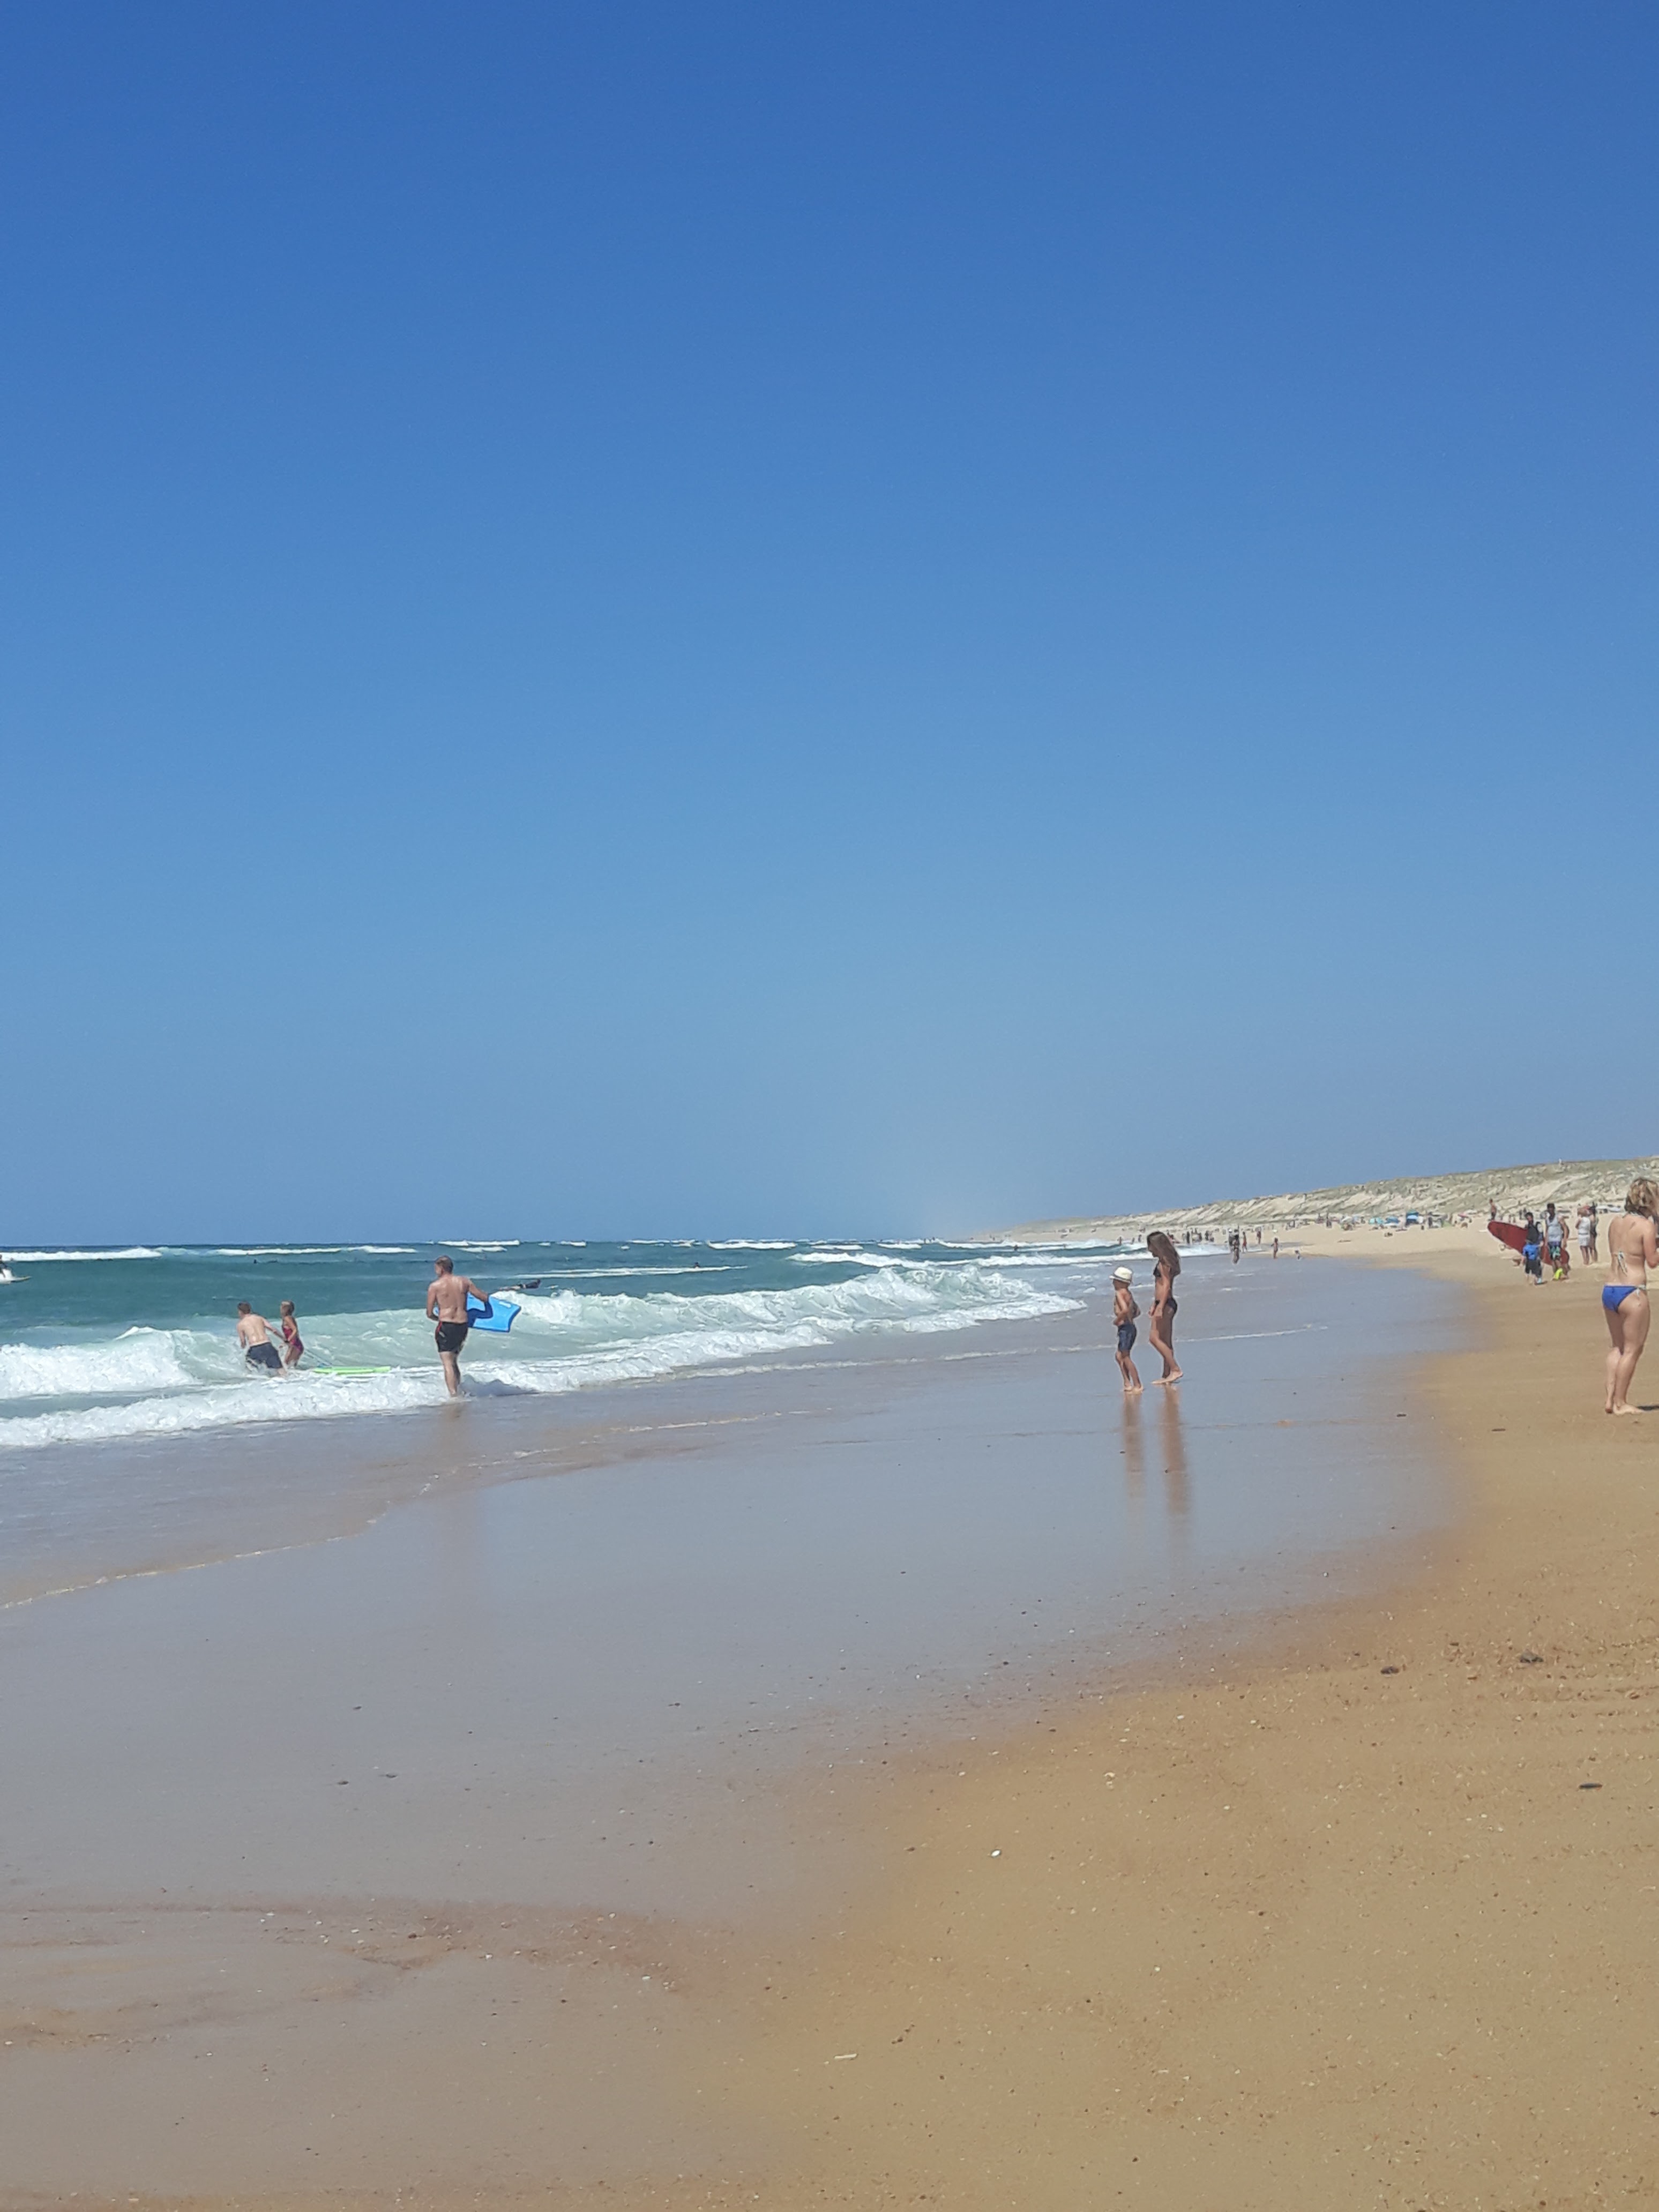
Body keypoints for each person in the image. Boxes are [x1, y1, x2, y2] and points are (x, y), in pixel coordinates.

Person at [1603, 1180, 1658, 1416]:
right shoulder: (1646, 1226)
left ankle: (1610, 1399)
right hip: (1632, 1291)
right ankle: (1621, 1402)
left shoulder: (1616, 1222)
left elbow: (1623, 1251)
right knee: (1633, 1349)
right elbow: (1652, 1261)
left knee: (1618, 1346)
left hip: (1610, 1288)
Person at [427, 1254, 490, 1396]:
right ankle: (459, 1389)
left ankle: (454, 1395)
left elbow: (429, 1313)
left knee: (447, 1362)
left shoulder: (435, 1286)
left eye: (436, 1268)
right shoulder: (464, 1282)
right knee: (454, 1360)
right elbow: (484, 1298)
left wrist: (439, 1319)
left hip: (446, 1325)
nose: (435, 1271)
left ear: (441, 1269)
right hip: (463, 1326)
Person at [1146, 1230, 1183, 1384]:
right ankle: (1167, 1374)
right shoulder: (1167, 1261)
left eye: (1150, 1246)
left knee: (1154, 1338)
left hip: (1165, 1303)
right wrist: (1155, 1304)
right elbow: (1160, 1286)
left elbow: (1166, 1286)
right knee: (1166, 1341)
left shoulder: (1164, 1264)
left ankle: (1175, 1369)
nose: (1149, 1249)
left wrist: (1160, 1306)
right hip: (1165, 1303)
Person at [1111, 1265, 1142, 1394]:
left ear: (1121, 1282)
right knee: (1119, 1356)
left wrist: (1118, 1320)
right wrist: (1130, 1317)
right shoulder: (1129, 1294)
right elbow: (1138, 1311)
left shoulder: (1120, 1294)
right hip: (1131, 1327)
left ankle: (1137, 1384)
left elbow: (1124, 1310)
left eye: (1115, 1281)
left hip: (1125, 1328)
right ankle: (1127, 1382)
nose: (1113, 1283)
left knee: (1126, 1356)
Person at [236, 1301, 283, 1373]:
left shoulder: (240, 1324)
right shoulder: (260, 1318)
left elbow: (243, 1342)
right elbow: (273, 1329)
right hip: (267, 1346)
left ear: (241, 1312)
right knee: (280, 1370)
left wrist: (242, 1347)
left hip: (255, 1348)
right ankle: (289, 1380)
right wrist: (284, 1339)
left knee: (250, 1371)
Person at [278, 1299, 305, 1369]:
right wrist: (285, 1343)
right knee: (291, 1366)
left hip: (294, 1345)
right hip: (296, 1345)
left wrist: (289, 1340)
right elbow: (291, 1333)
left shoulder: (287, 1319)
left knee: (285, 1365)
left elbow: (295, 1330)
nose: (280, 1308)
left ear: (285, 1309)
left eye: (282, 1306)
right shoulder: (290, 1318)